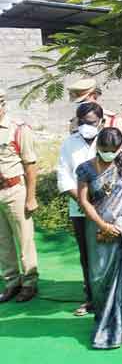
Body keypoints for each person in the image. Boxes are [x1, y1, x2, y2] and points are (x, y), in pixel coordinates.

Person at [76, 127, 122, 349]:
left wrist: (119, 225)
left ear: (119, 148)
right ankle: (106, 324)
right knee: (100, 277)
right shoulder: (85, 168)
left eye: (112, 150)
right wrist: (103, 225)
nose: (108, 153)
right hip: (98, 231)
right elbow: (84, 200)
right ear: (98, 146)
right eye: (104, 149)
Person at [57, 102, 122, 316]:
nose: (86, 126)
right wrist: (84, 201)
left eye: (90, 122)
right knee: (87, 254)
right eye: (82, 122)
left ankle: (119, 296)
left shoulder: (112, 140)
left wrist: (104, 203)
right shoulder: (69, 143)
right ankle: (92, 298)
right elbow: (64, 176)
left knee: (115, 251)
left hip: (112, 208)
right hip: (81, 209)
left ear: (101, 121)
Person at [0, 89, 39, 303]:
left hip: (15, 190)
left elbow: (30, 165)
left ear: (2, 104)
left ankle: (29, 282)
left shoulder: (18, 129)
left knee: (24, 239)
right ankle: (11, 282)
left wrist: (31, 197)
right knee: (2, 241)